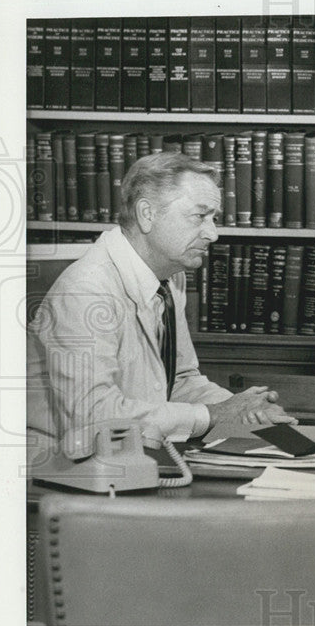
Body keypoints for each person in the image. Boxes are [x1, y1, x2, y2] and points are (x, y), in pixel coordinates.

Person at [27, 152, 296, 463]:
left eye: (214, 218)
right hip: (56, 473)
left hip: (129, 459)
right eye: (200, 216)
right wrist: (213, 414)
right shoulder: (86, 291)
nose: (213, 233)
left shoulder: (171, 278)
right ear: (147, 214)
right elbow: (94, 417)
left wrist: (244, 408)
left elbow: (178, 381)